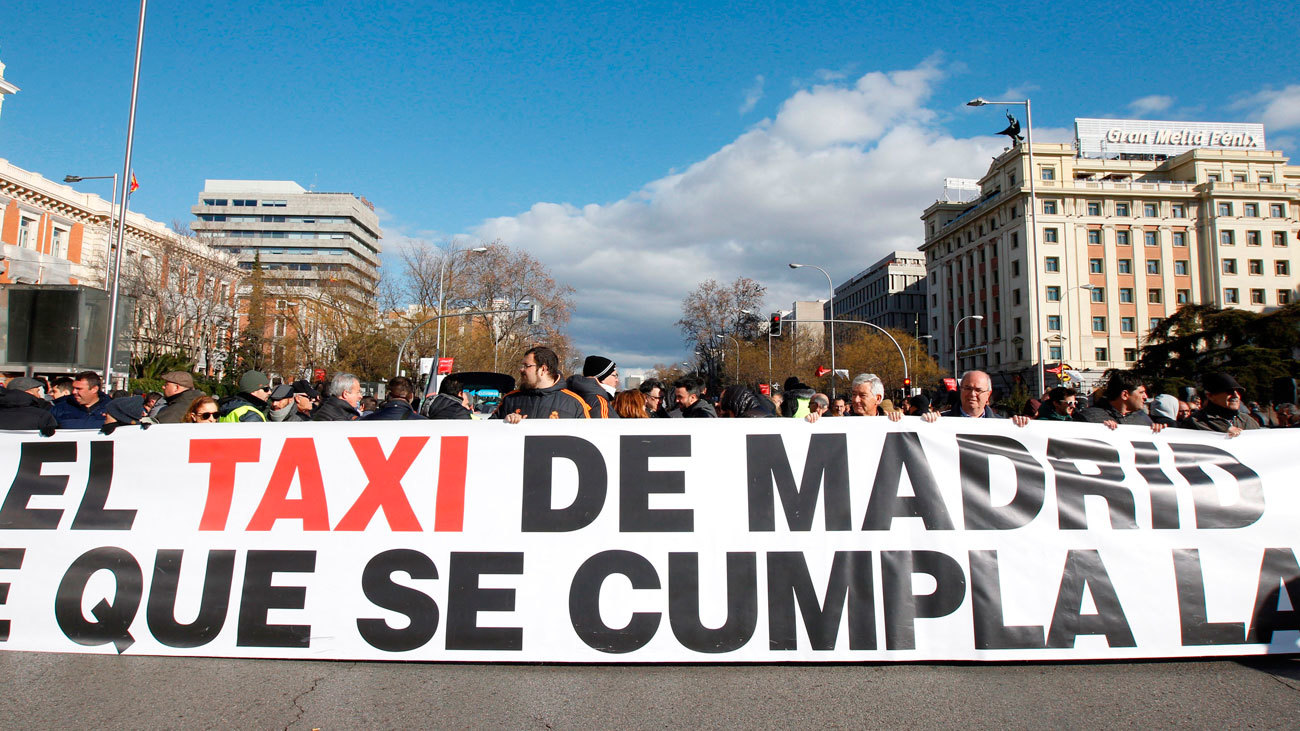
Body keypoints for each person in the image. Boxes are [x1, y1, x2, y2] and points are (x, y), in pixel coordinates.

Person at [493, 346, 590, 421]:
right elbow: (488, 432)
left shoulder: (574, 403)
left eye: (527, 366)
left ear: (543, 369)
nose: (521, 370)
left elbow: (587, 438)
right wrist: (505, 423)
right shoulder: (510, 399)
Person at [921, 370, 1029, 426]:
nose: (972, 394)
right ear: (961, 391)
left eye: (978, 390)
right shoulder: (941, 421)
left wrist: (1022, 427)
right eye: (967, 388)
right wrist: (925, 423)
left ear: (988, 395)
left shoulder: (1002, 425)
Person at [1074, 372, 1162, 431]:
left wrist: (1158, 432)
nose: (1145, 397)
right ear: (1125, 395)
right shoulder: (1089, 418)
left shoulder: (1144, 419)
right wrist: (1101, 430)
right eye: (1141, 393)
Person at [1185, 373, 1260, 436]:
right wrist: (1225, 429)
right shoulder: (1196, 421)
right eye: (1229, 391)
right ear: (1210, 396)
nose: (1236, 396)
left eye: (1238, 392)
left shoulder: (1247, 421)